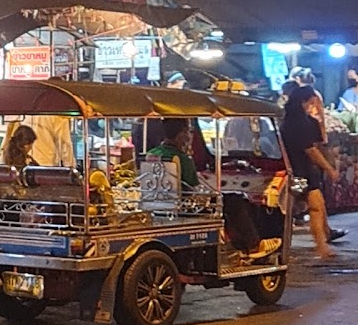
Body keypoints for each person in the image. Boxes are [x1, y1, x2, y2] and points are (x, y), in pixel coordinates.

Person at [147, 118, 281, 261]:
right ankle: (254, 245)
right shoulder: (181, 158)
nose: (190, 136)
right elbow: (194, 187)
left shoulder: (152, 154)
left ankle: (234, 246)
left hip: (156, 205)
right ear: (181, 135)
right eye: (189, 131)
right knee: (235, 199)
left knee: (225, 199)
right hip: (185, 208)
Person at [281, 85, 346, 259]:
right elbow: (312, 150)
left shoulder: (287, 120)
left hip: (292, 170)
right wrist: (329, 168)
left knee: (306, 207)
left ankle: (320, 244)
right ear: (307, 100)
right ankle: (321, 248)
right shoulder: (303, 122)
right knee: (315, 207)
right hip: (303, 171)